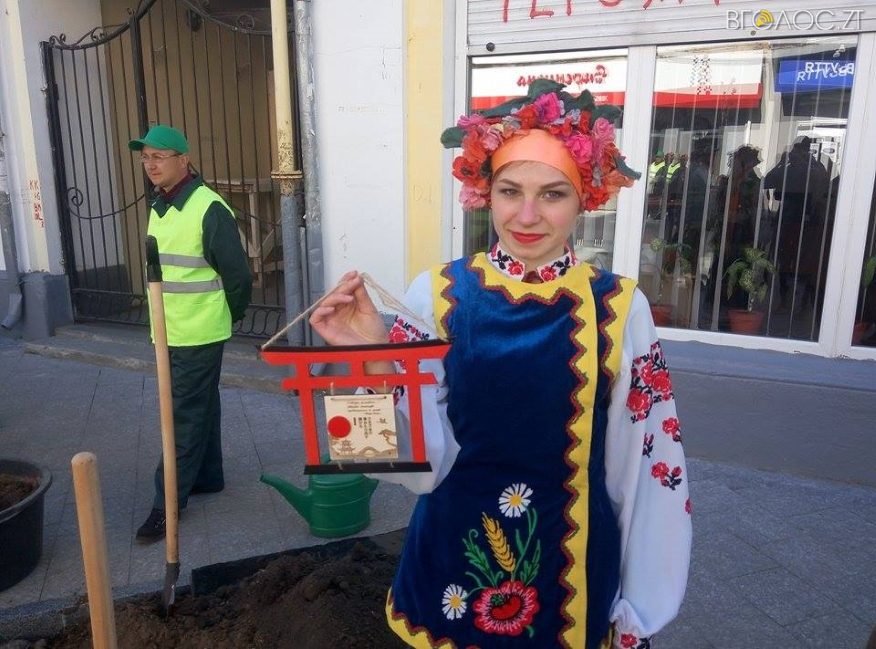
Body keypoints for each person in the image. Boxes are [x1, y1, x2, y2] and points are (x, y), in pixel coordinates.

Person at [310, 81, 691, 648]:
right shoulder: (436, 293)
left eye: (553, 194)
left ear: (585, 198)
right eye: (510, 191)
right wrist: (366, 358)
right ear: (485, 193)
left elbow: (647, 464)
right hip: (450, 564)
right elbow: (404, 468)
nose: (527, 215)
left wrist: (643, 604)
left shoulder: (619, 306)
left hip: (574, 574)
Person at [129, 125, 252, 542]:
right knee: (201, 404)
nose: (151, 164)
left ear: (184, 160)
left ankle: (167, 505)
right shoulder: (160, 203)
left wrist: (225, 316)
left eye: (159, 156)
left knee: (181, 415)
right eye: (146, 157)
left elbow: (238, 278)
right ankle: (207, 476)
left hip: (197, 333)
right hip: (170, 329)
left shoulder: (208, 208)